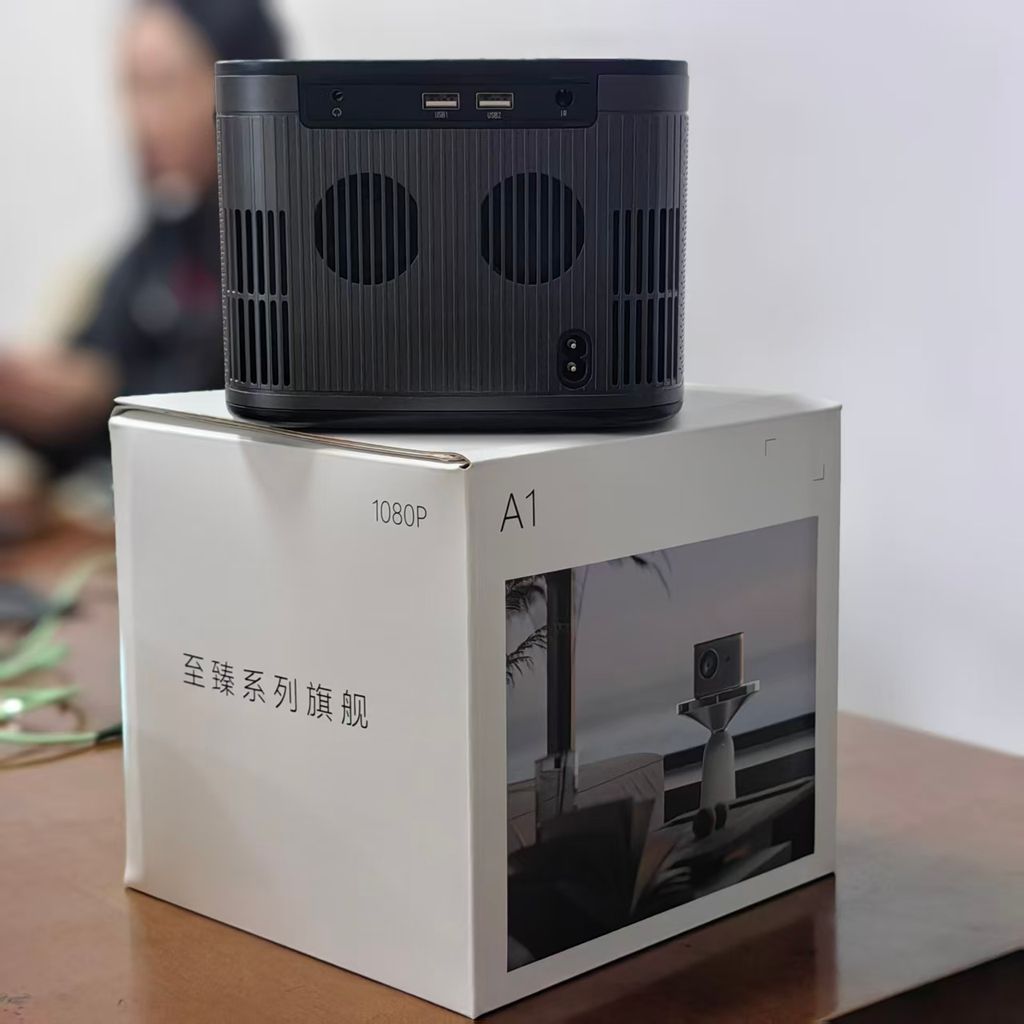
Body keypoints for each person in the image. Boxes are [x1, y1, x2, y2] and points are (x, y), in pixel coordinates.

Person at [0, 0, 285, 474]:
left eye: (163, 84)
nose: (140, 117)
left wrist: (102, 396)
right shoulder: (165, 233)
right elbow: (88, 361)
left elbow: (237, 413)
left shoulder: (293, 249)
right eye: (130, 86)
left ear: (246, 89)